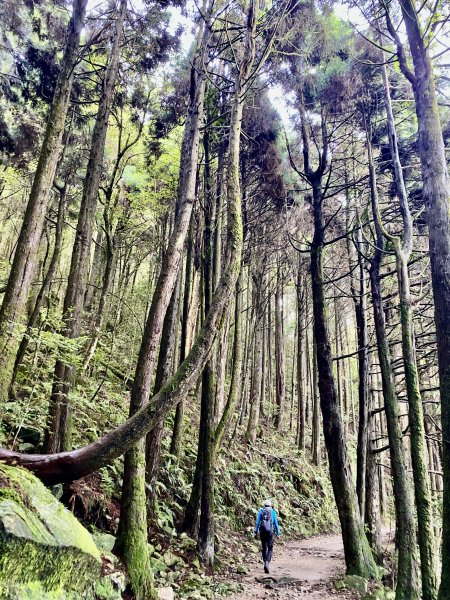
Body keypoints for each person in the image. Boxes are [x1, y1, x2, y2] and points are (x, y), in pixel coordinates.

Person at [254, 499, 280, 573]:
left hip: (262, 532)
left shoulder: (261, 512)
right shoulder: (273, 512)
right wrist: (278, 533)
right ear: (271, 505)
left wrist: (256, 531)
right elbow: (276, 524)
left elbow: (258, 523)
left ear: (264, 505)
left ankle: (265, 562)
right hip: (270, 532)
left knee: (264, 548)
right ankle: (267, 563)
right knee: (270, 548)